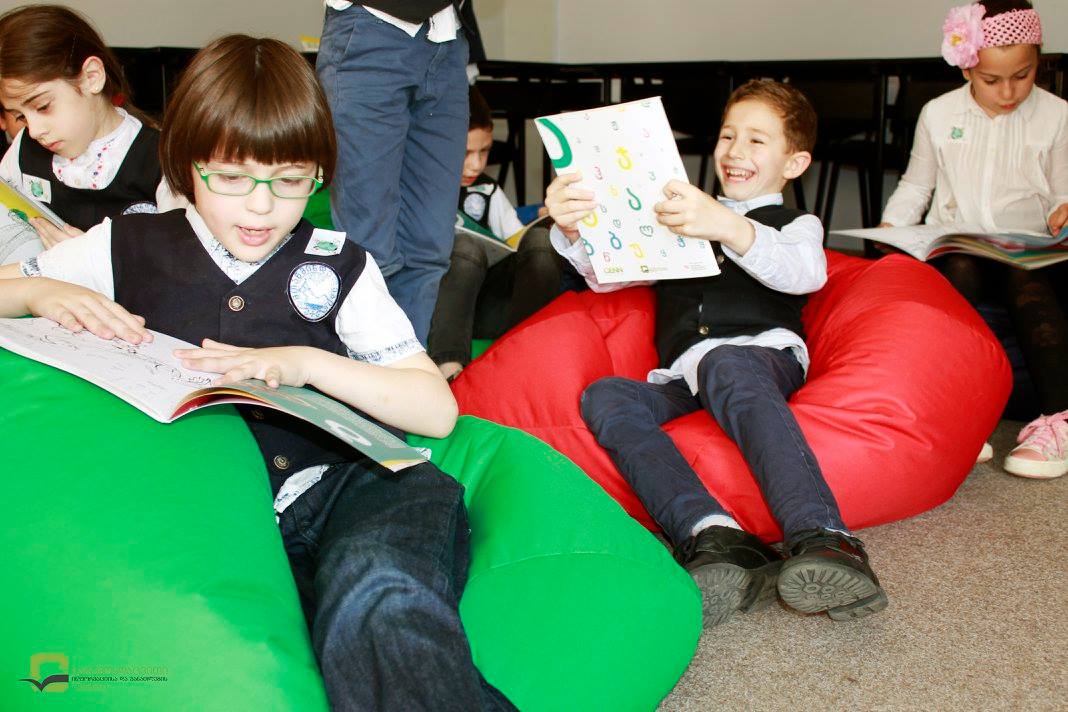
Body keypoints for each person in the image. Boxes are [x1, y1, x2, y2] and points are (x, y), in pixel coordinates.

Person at [0, 35, 514, 711]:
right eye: (233, 178)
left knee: (379, 599)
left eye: (292, 180)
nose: (262, 207)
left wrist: (305, 363)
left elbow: (434, 410)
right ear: (186, 165)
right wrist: (39, 290)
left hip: (361, 489)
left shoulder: (338, 264)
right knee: (265, 649)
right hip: (221, 516)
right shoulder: (127, 245)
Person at [544, 80, 888, 628]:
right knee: (607, 396)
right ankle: (713, 532)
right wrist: (572, 228)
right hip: (684, 374)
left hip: (760, 358)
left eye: (756, 140)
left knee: (725, 361)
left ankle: (824, 534)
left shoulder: (794, 223)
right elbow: (608, 276)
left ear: (794, 163)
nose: (735, 151)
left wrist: (725, 225)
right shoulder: (677, 215)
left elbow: (804, 273)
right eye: (728, 136)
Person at [880, 0, 1068, 479]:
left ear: (1039, 61)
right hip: (961, 249)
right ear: (967, 69)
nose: (1008, 91)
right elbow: (916, 186)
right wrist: (891, 227)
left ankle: (1059, 419)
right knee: (957, 274)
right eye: (991, 80)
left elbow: (1062, 191)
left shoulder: (1057, 115)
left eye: (1023, 75)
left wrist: (1063, 210)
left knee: (1024, 280)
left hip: (1029, 253)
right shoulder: (939, 114)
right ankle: (955, 416)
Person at [316, 1, 476, 345]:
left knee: (429, 248)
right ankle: (366, 369)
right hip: (372, 25)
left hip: (447, 34)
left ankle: (405, 368)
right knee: (369, 248)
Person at [0, 4, 176, 258]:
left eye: (43, 106)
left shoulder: (161, 162)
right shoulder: (23, 151)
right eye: (20, 117)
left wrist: (93, 260)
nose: (35, 131)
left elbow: (183, 265)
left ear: (92, 77)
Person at [428, 87, 564, 380]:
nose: (476, 164)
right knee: (466, 248)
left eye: (484, 151)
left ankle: (523, 359)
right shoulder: (421, 187)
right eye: (465, 153)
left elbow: (517, 241)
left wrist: (544, 223)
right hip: (445, 306)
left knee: (541, 241)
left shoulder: (487, 190)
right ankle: (449, 369)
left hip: (493, 305)